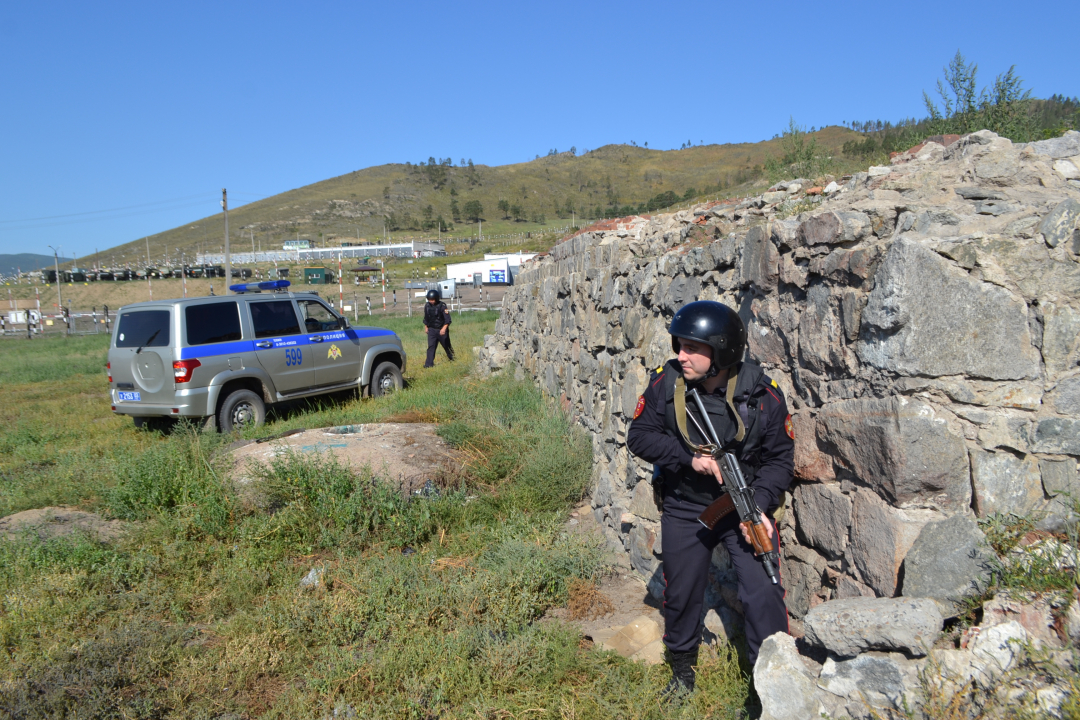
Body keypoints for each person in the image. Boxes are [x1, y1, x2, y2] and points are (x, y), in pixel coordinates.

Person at [625, 300, 794, 695]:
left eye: (691, 349)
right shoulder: (666, 384)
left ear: (720, 351)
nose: (679, 355)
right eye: (678, 346)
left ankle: (769, 682)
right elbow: (640, 436)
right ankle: (682, 672)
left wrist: (762, 505)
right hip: (686, 504)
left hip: (745, 506)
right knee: (681, 590)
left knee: (764, 591)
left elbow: (780, 460)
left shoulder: (762, 396)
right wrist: (689, 460)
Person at [422, 288, 454, 367]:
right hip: (432, 330)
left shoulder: (442, 306)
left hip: (441, 330)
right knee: (431, 347)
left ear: (436, 298)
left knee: (447, 346)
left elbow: (448, 320)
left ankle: (453, 359)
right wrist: (426, 327)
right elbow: (426, 318)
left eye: (433, 300)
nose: (431, 301)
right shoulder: (427, 306)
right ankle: (428, 365)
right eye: (429, 300)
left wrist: (444, 329)